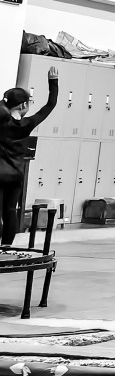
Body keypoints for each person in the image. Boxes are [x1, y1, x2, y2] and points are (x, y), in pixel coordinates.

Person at [0, 66, 57, 248]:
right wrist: (53, 82)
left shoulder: (2, 121)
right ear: (23, 105)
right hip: (16, 174)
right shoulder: (28, 124)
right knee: (10, 210)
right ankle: (6, 247)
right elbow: (50, 105)